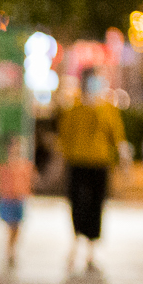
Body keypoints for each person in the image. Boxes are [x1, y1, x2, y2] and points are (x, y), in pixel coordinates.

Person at [55, 72, 125, 271]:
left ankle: (91, 250)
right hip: (77, 163)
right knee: (76, 203)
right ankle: (75, 243)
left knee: (96, 205)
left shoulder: (107, 109)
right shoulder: (74, 110)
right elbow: (64, 138)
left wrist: (124, 162)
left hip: (99, 163)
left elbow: (117, 136)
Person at [0, 136, 35, 270]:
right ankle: (10, 251)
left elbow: (29, 180)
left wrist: (28, 193)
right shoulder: (3, 165)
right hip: (7, 198)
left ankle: (12, 250)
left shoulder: (25, 165)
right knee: (11, 226)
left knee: (17, 226)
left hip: (19, 198)